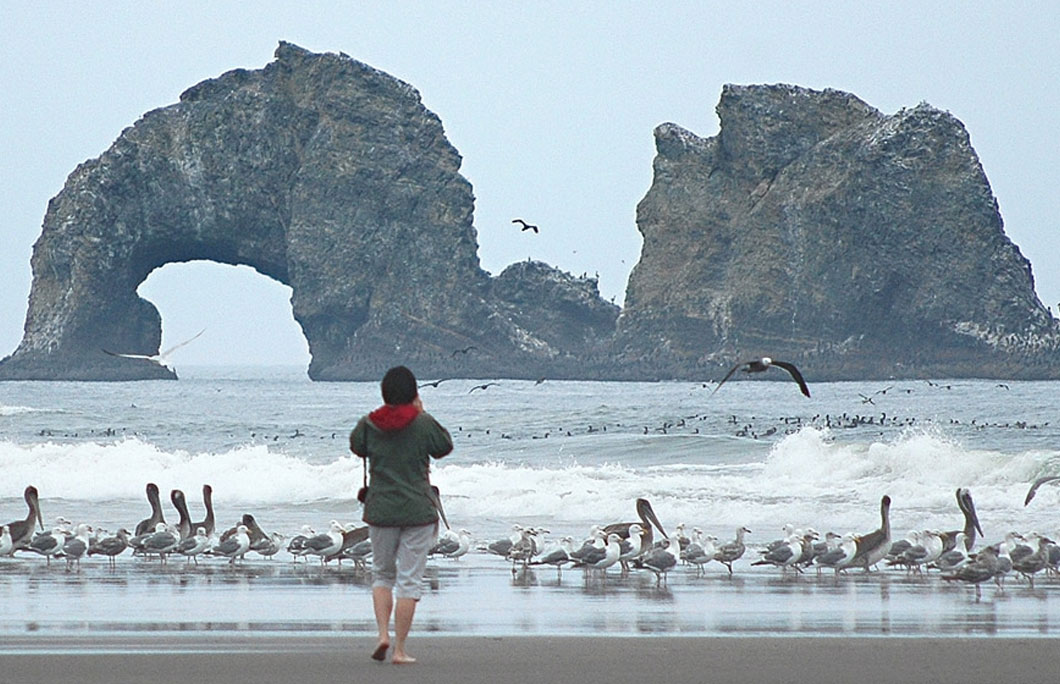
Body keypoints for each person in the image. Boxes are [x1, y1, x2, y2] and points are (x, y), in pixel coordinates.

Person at [349, 365, 453, 664]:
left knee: (382, 574)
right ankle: (400, 649)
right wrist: (422, 412)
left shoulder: (369, 424)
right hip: (418, 511)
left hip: (380, 509)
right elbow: (444, 447)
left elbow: (357, 447)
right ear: (413, 393)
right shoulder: (422, 423)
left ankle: (382, 634)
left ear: (384, 392)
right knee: (409, 580)